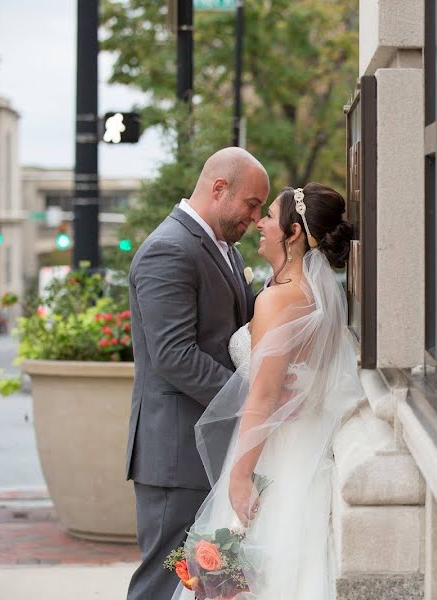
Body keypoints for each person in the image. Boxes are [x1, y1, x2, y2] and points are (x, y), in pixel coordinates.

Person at [172, 183, 363, 600]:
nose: (259, 223)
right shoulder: (317, 295)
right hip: (300, 450)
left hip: (271, 460)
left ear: (292, 234)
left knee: (241, 575)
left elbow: (262, 396)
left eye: (270, 217)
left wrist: (240, 479)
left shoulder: (279, 300)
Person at [125, 147, 269, 600]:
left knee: (207, 586)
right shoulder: (168, 249)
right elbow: (173, 355)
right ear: (219, 188)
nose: (255, 216)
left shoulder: (221, 247)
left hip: (209, 451)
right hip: (176, 457)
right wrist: (253, 399)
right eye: (252, 203)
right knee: (166, 580)